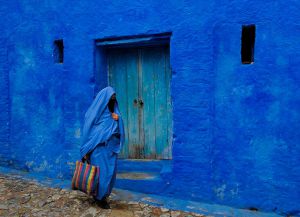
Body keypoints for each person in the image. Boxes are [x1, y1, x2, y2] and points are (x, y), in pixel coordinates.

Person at [80, 86, 125, 209]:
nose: (113, 101)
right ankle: (100, 198)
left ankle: (103, 195)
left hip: (111, 150)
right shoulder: (93, 115)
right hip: (98, 151)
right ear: (103, 100)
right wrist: (86, 150)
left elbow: (119, 131)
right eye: (110, 98)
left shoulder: (115, 114)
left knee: (109, 174)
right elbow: (88, 133)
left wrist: (117, 120)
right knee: (101, 175)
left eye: (114, 98)